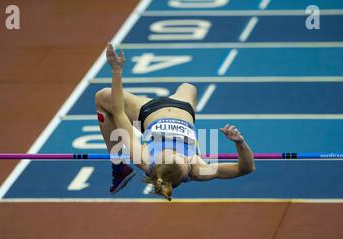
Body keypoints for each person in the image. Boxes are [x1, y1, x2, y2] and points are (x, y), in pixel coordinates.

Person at [95, 42, 255, 200]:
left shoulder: (143, 159)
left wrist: (116, 71)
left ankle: (118, 167)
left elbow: (119, 113)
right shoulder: (199, 170)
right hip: (183, 107)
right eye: (180, 156)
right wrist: (240, 143)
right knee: (188, 86)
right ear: (187, 164)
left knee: (102, 97)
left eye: (169, 153)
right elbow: (246, 168)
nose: (175, 150)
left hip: (147, 110)